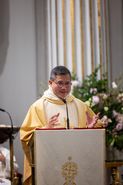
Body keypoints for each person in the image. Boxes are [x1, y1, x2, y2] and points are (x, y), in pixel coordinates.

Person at [20, 65, 102, 185]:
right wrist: (43, 130)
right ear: (50, 82)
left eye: (68, 83)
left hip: (77, 163)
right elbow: (25, 136)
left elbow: (95, 135)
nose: (64, 88)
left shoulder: (79, 105)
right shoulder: (38, 107)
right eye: (60, 83)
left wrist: (88, 130)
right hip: (50, 164)